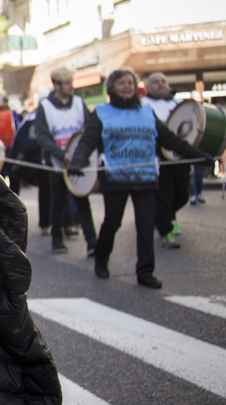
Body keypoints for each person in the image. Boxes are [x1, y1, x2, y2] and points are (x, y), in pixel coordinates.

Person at [69, 69, 211, 289]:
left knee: (146, 225)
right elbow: (87, 142)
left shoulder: (147, 112)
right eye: (121, 83)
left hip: (145, 177)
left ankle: (145, 271)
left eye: (130, 83)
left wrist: (198, 156)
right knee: (112, 223)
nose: (127, 86)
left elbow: (170, 140)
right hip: (115, 178)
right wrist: (77, 162)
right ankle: (101, 259)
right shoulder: (101, 113)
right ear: (111, 88)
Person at [34, 67, 97, 255]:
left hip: (78, 160)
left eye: (71, 83)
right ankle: (57, 239)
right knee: (58, 200)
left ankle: (92, 242)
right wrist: (62, 154)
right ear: (56, 85)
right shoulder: (45, 107)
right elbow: (43, 137)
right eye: (67, 84)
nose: (71, 87)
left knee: (82, 199)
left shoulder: (78, 103)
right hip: (57, 164)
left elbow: (89, 129)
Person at [141, 72, 189, 246]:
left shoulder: (179, 104)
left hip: (179, 154)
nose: (160, 84)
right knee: (163, 195)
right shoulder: (143, 105)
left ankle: (167, 216)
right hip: (158, 155)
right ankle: (165, 230)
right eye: (155, 82)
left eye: (164, 81)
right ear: (148, 87)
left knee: (183, 195)